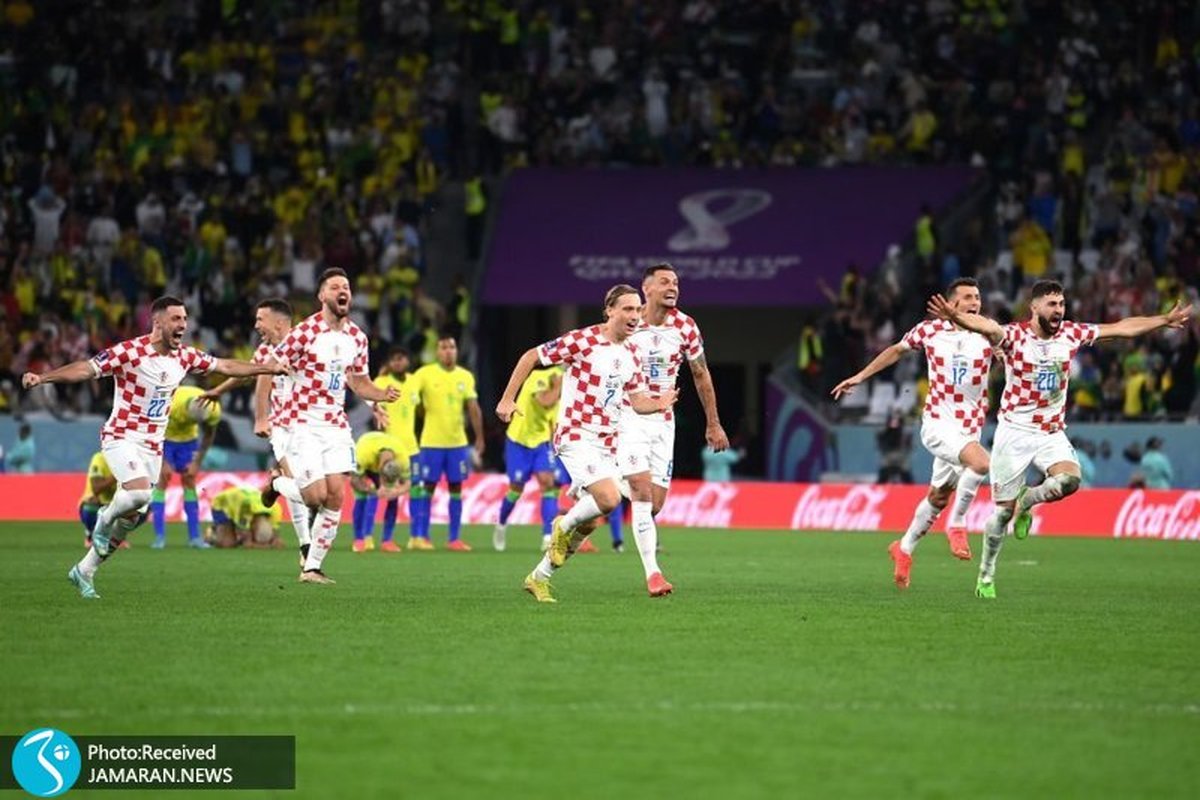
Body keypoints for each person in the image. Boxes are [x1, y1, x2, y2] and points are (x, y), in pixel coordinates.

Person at [928, 280, 1191, 599]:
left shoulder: (1071, 334)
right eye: (1052, 304)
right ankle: (986, 575)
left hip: (1050, 431)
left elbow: (1121, 328)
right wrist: (955, 317)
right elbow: (987, 326)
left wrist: (1163, 320)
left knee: (1070, 480)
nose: (1059, 310)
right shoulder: (1014, 336)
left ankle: (1028, 500)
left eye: (1062, 304)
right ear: (1034, 307)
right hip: (1014, 433)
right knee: (1002, 513)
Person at [21, 295, 286, 599]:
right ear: (157, 322)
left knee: (133, 516)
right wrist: (43, 378)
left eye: (185, 319)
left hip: (152, 445)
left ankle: (85, 570)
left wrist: (267, 369)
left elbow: (225, 365)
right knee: (138, 494)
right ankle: (104, 518)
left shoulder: (184, 356)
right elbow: (86, 369)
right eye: (176, 319)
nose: (183, 325)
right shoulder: (130, 352)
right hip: (121, 436)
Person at [496, 284, 677, 603]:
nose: (635, 316)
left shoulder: (632, 352)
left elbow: (637, 401)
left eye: (638, 310)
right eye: (628, 309)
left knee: (592, 521)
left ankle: (539, 577)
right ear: (609, 311)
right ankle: (562, 523)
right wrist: (508, 399)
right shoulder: (582, 340)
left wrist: (658, 403)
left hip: (608, 441)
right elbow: (531, 357)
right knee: (609, 498)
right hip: (576, 434)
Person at [575, 264, 730, 593]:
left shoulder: (686, 326)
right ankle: (653, 574)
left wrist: (713, 423)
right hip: (628, 415)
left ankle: (601, 487)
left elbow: (700, 374)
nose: (673, 287)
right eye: (664, 282)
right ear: (647, 289)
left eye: (675, 282)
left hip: (662, 421)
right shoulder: (630, 323)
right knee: (642, 492)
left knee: (654, 504)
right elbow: (601, 361)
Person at [833, 278, 993, 589]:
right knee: (981, 463)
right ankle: (957, 525)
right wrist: (860, 376)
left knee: (938, 496)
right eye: (968, 297)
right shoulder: (930, 330)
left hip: (969, 429)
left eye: (977, 297)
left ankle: (903, 549)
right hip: (938, 424)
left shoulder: (988, 333)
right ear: (952, 303)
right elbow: (896, 350)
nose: (975, 302)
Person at [272, 268, 401, 584]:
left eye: (346, 286)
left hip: (335, 425)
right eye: (334, 287)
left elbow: (359, 382)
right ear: (322, 295)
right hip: (302, 423)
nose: (342, 291)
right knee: (314, 496)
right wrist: (278, 372)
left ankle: (312, 568)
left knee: (335, 496)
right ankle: (276, 483)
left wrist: (380, 396)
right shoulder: (304, 332)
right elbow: (272, 364)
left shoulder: (357, 337)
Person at [203, 299, 311, 565]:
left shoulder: (307, 344)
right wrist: (219, 391)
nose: (256, 325)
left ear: (279, 322)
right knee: (298, 481)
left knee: (314, 489)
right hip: (282, 426)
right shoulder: (267, 350)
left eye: (260, 319)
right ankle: (306, 545)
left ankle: (276, 485)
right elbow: (255, 375)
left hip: (312, 424)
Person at [407, 333, 484, 551]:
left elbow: (473, 408)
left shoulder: (465, 376)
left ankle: (454, 539)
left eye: (452, 347)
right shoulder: (424, 374)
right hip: (431, 442)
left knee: (456, 487)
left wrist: (480, 436)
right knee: (427, 487)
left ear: (456, 351)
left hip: (457, 443)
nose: (448, 351)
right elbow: (412, 400)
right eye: (443, 347)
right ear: (437, 352)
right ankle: (420, 536)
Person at [492, 365, 562, 552]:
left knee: (548, 483)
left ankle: (547, 537)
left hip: (540, 442)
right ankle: (501, 524)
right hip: (519, 440)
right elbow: (544, 401)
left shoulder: (567, 388)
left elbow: (554, 420)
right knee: (516, 488)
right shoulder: (540, 376)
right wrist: (558, 386)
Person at [150, 385, 221, 548]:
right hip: (164, 439)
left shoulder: (213, 409)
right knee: (163, 478)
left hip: (189, 441)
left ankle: (195, 538)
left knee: (189, 479)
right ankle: (159, 537)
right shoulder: (170, 403)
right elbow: (152, 430)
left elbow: (209, 434)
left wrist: (197, 462)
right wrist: (162, 460)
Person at [371, 347, 422, 552]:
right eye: (394, 360)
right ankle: (385, 539)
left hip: (412, 447)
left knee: (416, 491)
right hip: (390, 448)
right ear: (389, 363)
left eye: (401, 359)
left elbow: (419, 409)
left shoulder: (415, 381)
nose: (398, 363)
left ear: (407, 361)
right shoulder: (381, 382)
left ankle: (416, 537)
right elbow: (373, 407)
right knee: (391, 493)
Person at [350, 430, 409, 552]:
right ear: (380, 473)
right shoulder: (363, 454)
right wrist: (373, 492)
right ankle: (359, 539)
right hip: (367, 454)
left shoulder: (403, 458)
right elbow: (354, 481)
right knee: (361, 496)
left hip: (382, 453)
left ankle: (387, 540)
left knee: (393, 498)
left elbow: (408, 482)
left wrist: (397, 492)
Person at [206, 486, 284, 549]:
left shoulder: (276, 509)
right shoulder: (245, 506)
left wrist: (275, 540)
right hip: (223, 505)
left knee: (238, 538)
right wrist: (268, 546)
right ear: (253, 525)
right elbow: (248, 544)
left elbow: (276, 536)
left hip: (240, 505)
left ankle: (234, 535)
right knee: (227, 544)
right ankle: (212, 533)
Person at [79, 450, 126, 550]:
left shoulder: (128, 459)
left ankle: (118, 536)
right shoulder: (100, 458)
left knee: (143, 504)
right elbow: (96, 489)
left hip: (117, 503)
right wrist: (117, 475)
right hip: (98, 502)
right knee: (90, 505)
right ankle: (91, 534)